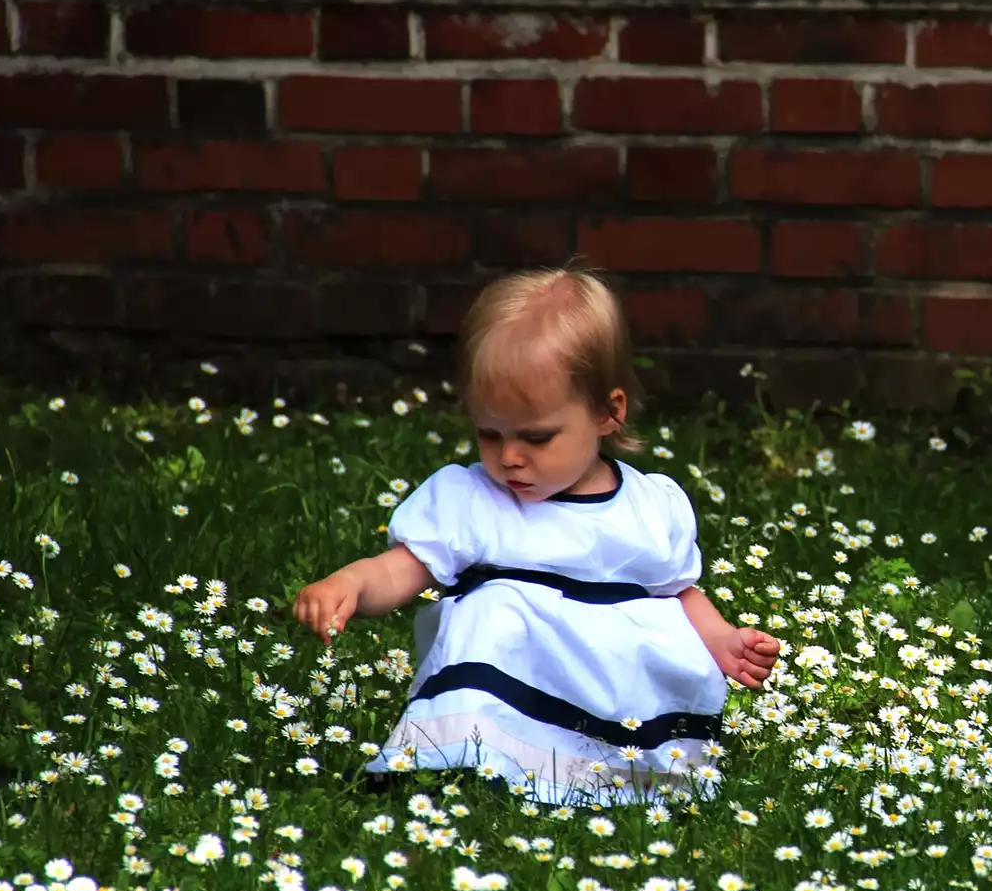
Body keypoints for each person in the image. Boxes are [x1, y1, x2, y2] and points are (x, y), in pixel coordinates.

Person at [291, 266, 781, 806]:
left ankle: (618, 769)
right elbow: (404, 568)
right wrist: (354, 583)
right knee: (495, 608)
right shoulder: (474, 500)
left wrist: (722, 641)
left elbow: (677, 591)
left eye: (536, 437)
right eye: (490, 433)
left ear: (607, 413)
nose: (509, 457)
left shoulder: (648, 506)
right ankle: (468, 757)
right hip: (517, 672)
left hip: (619, 690)